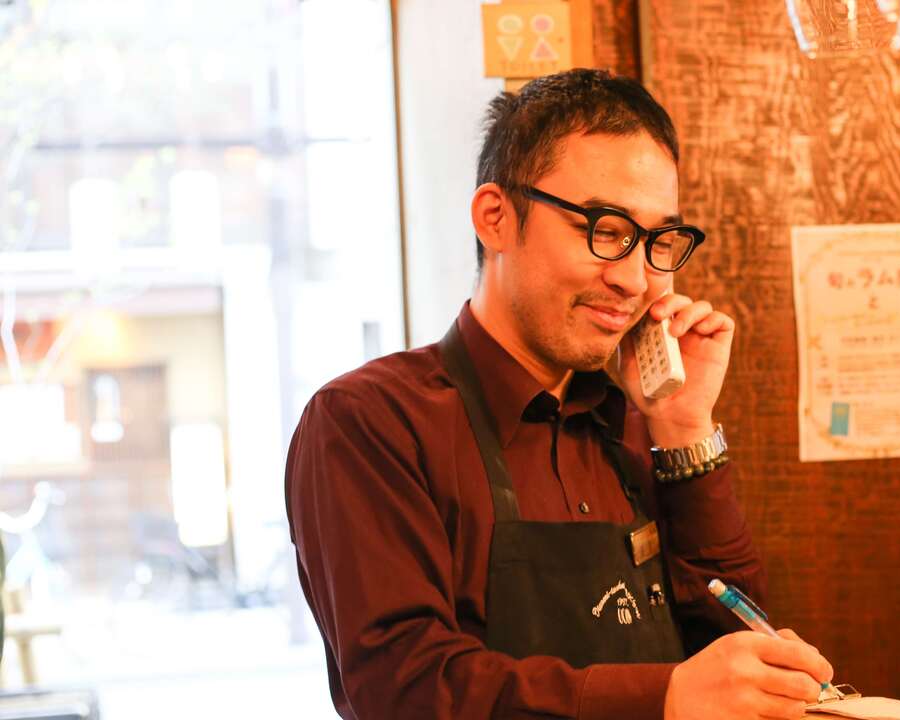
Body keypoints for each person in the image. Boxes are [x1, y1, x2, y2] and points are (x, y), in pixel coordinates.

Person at [285, 68, 834, 720]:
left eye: (659, 241)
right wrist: (665, 697)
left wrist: (685, 432)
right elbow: (403, 689)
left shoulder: (636, 422)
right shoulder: (372, 422)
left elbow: (734, 637)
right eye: (605, 230)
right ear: (495, 217)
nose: (636, 280)